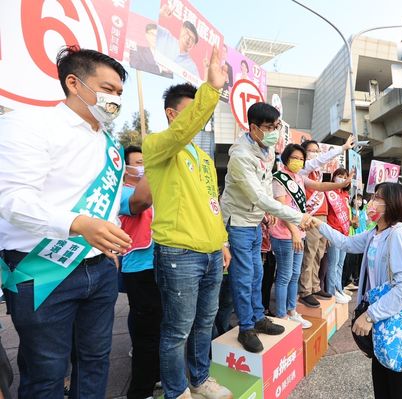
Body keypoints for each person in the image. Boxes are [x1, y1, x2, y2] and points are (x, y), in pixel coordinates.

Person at [0, 46, 131, 398]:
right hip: (42, 270)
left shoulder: (108, 143)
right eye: (107, 88)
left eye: (119, 92)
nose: (115, 98)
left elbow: (106, 208)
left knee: (96, 361)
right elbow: (12, 201)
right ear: (74, 82)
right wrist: (78, 224)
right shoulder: (29, 124)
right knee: (46, 373)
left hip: (99, 269)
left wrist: (105, 243)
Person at [142, 48, 232, 399]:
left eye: (204, 111)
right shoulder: (159, 146)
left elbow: (212, 205)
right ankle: (177, 390)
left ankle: (199, 379)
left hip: (210, 253)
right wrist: (211, 89)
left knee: (203, 325)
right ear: (171, 114)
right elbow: (182, 132)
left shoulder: (203, 158)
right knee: (177, 330)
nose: (201, 119)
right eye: (192, 111)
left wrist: (222, 241)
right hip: (179, 253)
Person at [311, 183, 402, 399]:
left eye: (377, 198)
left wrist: (370, 316)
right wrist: (319, 224)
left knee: (401, 389)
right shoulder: (375, 233)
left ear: (393, 204)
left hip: (396, 323)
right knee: (382, 385)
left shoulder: (399, 234)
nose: (370, 202)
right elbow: (347, 243)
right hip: (382, 322)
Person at [220, 102, 314, 353]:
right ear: (253, 128)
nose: (274, 131)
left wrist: (264, 215)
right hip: (238, 222)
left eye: (276, 126)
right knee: (243, 276)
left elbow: (262, 186)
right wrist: (296, 217)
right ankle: (246, 328)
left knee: (258, 275)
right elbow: (259, 196)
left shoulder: (267, 149)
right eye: (269, 127)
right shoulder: (240, 157)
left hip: (253, 221)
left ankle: (258, 317)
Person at [270, 144, 350, 327]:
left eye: (301, 159)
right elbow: (281, 209)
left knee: (294, 273)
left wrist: (340, 184)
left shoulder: (298, 177)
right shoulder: (279, 179)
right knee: (284, 275)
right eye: (294, 158)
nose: (298, 161)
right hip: (284, 235)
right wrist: (293, 233)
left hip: (299, 233)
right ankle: (282, 315)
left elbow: (319, 186)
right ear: (285, 158)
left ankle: (292, 311)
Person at [118, 145, 160, 399]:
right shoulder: (122, 193)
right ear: (125, 167)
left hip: (157, 264)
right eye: (138, 162)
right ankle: (140, 391)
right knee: (146, 333)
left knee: (156, 327)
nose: (143, 166)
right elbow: (140, 203)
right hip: (138, 267)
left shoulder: (151, 190)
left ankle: (154, 377)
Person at [298, 137, 354, 309]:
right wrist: (342, 148)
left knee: (319, 254)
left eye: (317, 150)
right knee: (310, 253)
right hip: (312, 216)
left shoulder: (317, 173)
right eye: (312, 150)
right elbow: (321, 165)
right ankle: (305, 290)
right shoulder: (304, 170)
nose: (315, 154)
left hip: (323, 218)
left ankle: (315, 286)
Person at [326, 168, 352, 304]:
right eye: (339, 176)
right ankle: (331, 292)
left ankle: (339, 289)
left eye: (345, 176)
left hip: (344, 233)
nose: (342, 178)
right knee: (333, 264)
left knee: (340, 264)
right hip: (333, 232)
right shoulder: (329, 192)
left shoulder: (345, 195)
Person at [156, 4, 200, 78]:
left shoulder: (192, 67)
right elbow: (146, 26)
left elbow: (198, 87)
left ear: (193, 45)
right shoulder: (165, 36)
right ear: (181, 29)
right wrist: (160, 13)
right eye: (187, 33)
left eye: (192, 39)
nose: (188, 38)